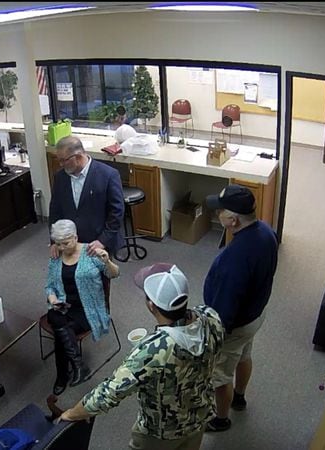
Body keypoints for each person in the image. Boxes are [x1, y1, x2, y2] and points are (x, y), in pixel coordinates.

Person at [60, 263, 224, 450]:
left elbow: (107, 394)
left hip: (162, 433)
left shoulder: (152, 351)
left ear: (151, 305)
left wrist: (72, 414)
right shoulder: (210, 316)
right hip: (199, 416)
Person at [202, 184, 279, 432]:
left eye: (220, 212)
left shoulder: (234, 258)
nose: (217, 215)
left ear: (233, 220)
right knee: (245, 355)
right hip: (255, 315)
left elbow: (224, 311)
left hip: (233, 327)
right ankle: (240, 397)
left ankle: (222, 419)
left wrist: (212, 336)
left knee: (220, 375)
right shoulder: (266, 232)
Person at [45, 219, 119, 395]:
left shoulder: (91, 252)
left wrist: (107, 261)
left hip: (89, 309)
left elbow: (114, 274)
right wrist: (53, 298)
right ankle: (78, 366)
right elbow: (49, 286)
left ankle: (63, 374)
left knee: (59, 329)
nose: (62, 247)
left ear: (76, 237)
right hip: (64, 305)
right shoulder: (56, 257)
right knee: (56, 316)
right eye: (58, 244)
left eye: (66, 243)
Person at [48, 136, 124, 258]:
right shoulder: (60, 177)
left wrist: (103, 241)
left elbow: (116, 212)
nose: (61, 164)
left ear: (77, 157)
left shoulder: (108, 175)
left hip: (97, 244)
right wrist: (54, 240)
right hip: (69, 244)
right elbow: (55, 210)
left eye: (64, 160)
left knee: (99, 276)